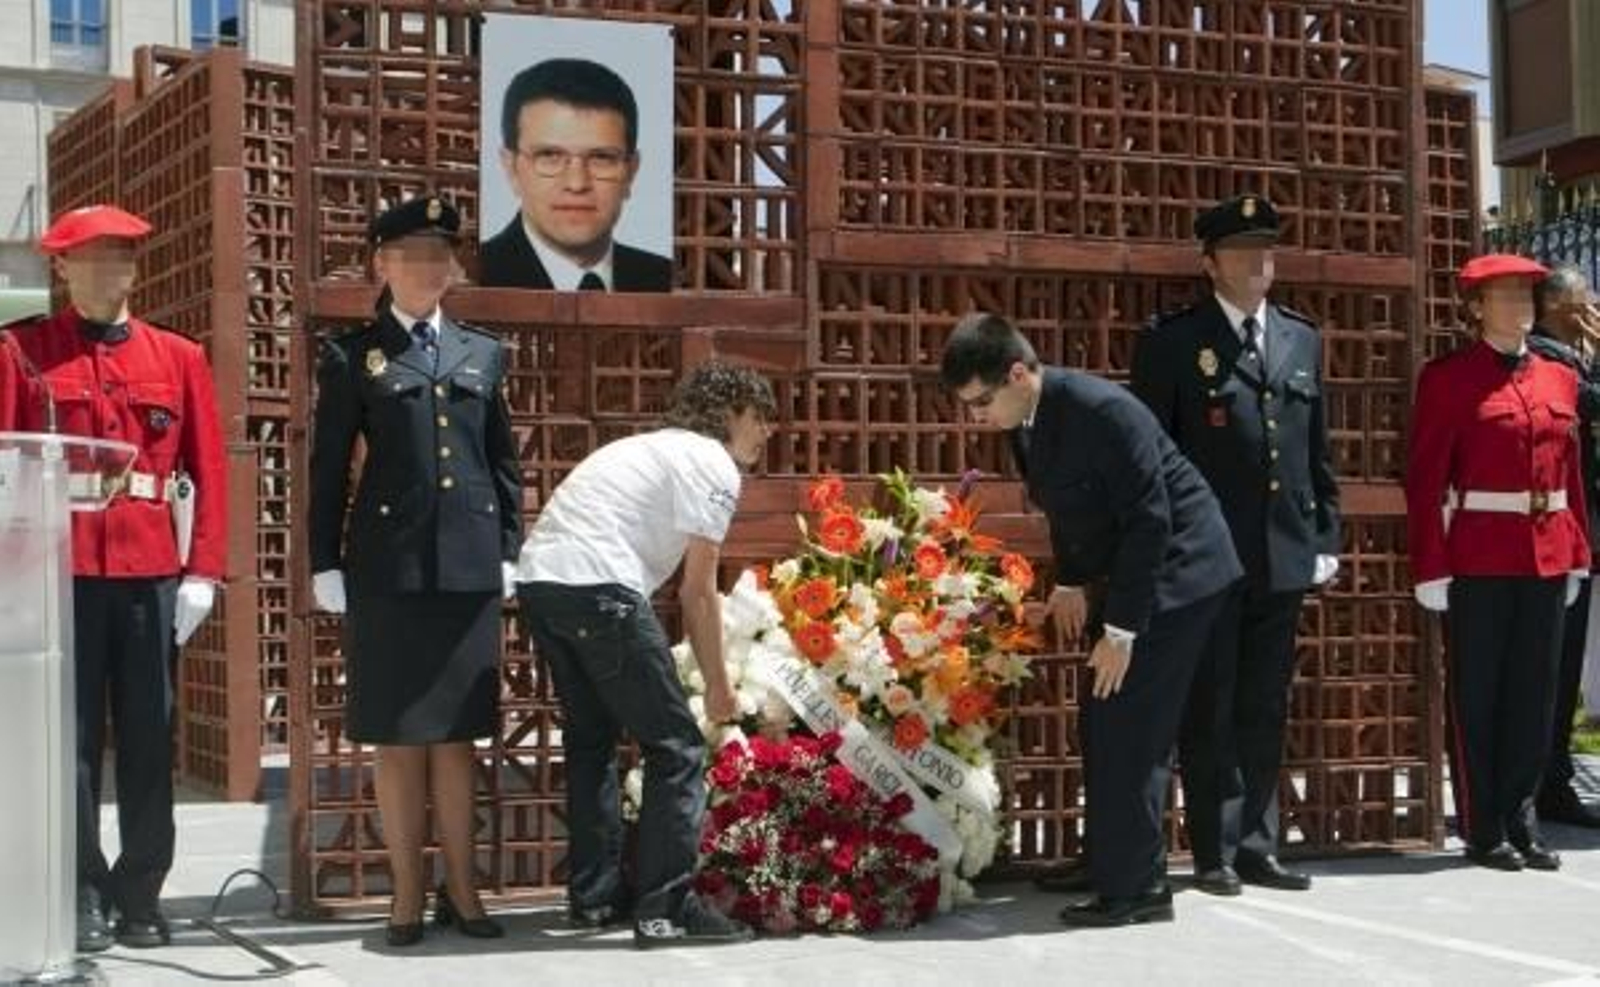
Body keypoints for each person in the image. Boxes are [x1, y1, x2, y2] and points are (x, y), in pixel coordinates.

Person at [941, 313, 1242, 927]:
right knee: (1103, 718)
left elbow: (1151, 519)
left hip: (1182, 570)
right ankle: (1110, 859)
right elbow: (1069, 507)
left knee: (1130, 720)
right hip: (1134, 570)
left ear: (1018, 374)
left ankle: (1139, 887)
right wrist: (1071, 582)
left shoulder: (1102, 410)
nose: (977, 418)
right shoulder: (1029, 418)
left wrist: (1122, 631)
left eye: (980, 402)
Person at [0, 205, 227, 951]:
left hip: (148, 573)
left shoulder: (178, 357)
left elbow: (209, 469)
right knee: (66, 745)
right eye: (93, 256)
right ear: (61, 266)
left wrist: (203, 571)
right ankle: (80, 891)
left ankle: (141, 893)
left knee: (148, 738)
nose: (110, 270)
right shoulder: (22, 352)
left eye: (122, 256)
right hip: (56, 573)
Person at [308, 195, 523, 946]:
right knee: (398, 737)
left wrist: (509, 549)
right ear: (383, 262)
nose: (430, 268)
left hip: (468, 569)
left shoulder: (482, 353)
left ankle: (463, 889)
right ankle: (404, 893)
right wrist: (324, 561)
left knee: (459, 736)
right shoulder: (352, 355)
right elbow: (327, 469)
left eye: (441, 255)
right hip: (388, 570)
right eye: (414, 254)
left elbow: (503, 464)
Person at [515, 361, 773, 948]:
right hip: (600, 587)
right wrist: (718, 685)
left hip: (541, 585)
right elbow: (697, 592)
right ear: (728, 413)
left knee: (591, 741)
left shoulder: (645, 448)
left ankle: (595, 899)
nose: (767, 431)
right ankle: (666, 909)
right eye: (759, 417)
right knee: (677, 747)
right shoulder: (712, 461)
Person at [1130, 193, 1341, 896]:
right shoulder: (1173, 342)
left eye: (1266, 250)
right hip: (1208, 557)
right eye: (1242, 251)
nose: (1258, 263)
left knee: (1265, 703)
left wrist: (1324, 533)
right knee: (1211, 703)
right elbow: (1153, 458)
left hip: (1283, 551)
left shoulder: (1300, 337)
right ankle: (1214, 849)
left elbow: (1315, 450)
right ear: (1210, 263)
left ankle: (1258, 843)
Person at [1407, 253, 1591, 872]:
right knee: (1479, 693)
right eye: (1504, 296)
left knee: (1535, 695)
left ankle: (1522, 817)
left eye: (1525, 296)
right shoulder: (1449, 379)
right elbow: (1426, 479)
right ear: (1476, 308)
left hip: (1548, 553)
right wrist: (1431, 565)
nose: (1518, 307)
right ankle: (1484, 826)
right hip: (1479, 556)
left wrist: (1577, 553)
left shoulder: (1559, 378)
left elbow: (1570, 474)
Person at [482, 58, 673, 292]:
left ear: (631, 172)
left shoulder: (669, 282)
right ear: (511, 168)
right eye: (550, 155)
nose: (577, 183)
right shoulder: (472, 278)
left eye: (601, 157)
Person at [1528, 265, 1600, 829]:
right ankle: (1545, 783)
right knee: (1550, 667)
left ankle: (1550, 777)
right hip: (1552, 533)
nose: (1593, 305)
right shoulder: (1546, 360)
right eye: (1586, 297)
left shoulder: (1571, 358)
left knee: (1566, 665)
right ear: (1558, 305)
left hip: (1576, 530)